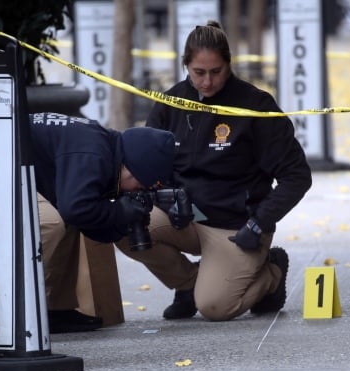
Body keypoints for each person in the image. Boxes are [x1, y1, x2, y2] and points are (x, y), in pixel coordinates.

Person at [115, 21, 312, 321]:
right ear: (186, 66)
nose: (207, 82)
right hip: (182, 217)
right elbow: (144, 166)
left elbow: (297, 177)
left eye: (216, 72)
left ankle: (271, 273)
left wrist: (259, 223)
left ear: (228, 64)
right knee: (122, 224)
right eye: (199, 73)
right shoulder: (169, 104)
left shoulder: (256, 106)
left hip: (237, 227)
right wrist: (163, 196)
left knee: (215, 308)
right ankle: (188, 284)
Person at [0, 112, 175, 340]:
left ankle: (52, 310)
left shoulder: (103, 148)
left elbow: (83, 219)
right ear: (130, 166)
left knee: (63, 220)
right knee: (46, 223)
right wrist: (119, 211)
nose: (135, 192)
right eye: (140, 186)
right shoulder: (94, 152)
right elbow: (77, 208)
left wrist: (122, 221)